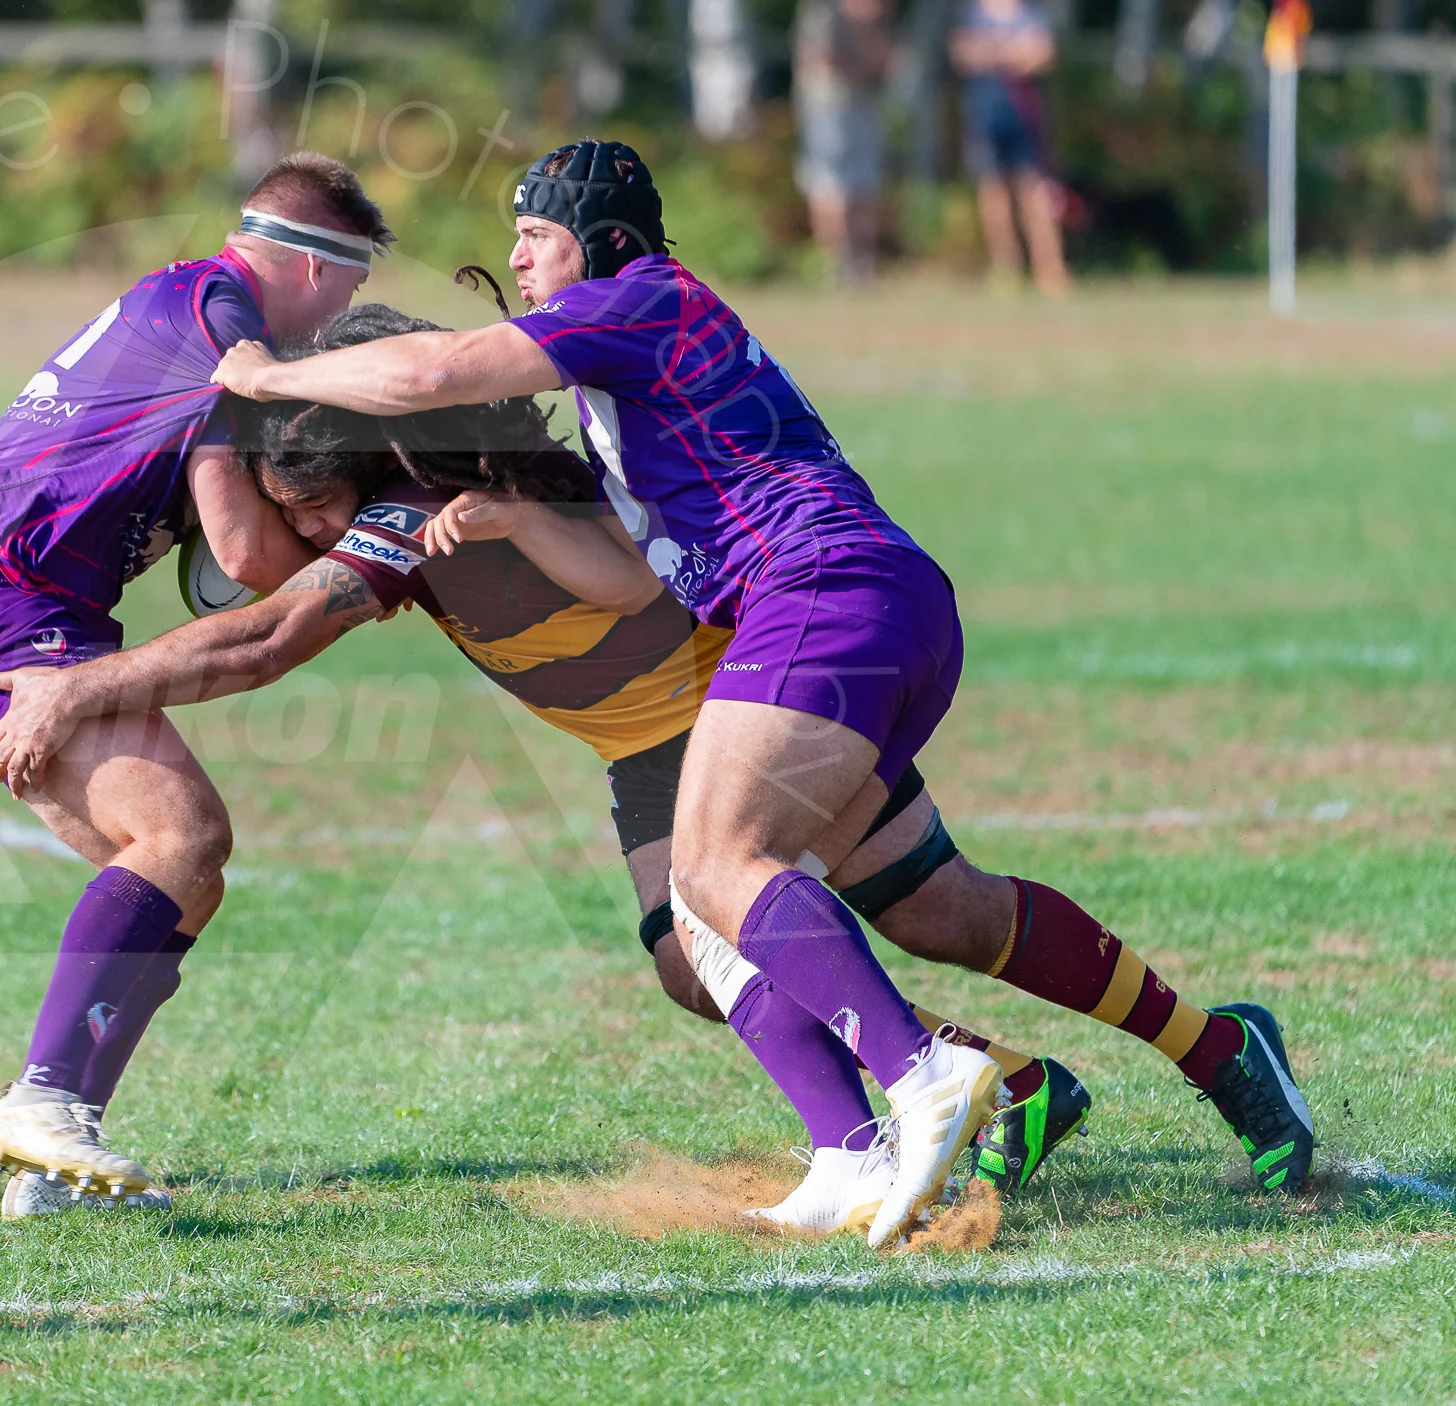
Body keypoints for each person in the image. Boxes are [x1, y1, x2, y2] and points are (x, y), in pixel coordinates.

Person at [207, 141, 1316, 1244]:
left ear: (604, 243)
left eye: (536, 235)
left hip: (821, 592)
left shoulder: (632, 302)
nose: (516, 256)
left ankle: (926, 1078)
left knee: (715, 868)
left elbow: (433, 374)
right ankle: (1212, 1052)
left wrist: (264, 377)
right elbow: (636, 570)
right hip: (864, 600)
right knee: (935, 907)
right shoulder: (619, 378)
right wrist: (522, 520)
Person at [0, 302, 1094, 1235]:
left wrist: (83, 684)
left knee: (923, 912)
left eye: (312, 507)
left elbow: (266, 640)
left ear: (372, 469)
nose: (311, 536)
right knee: (693, 959)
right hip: (646, 743)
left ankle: (1005, 1080)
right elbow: (258, 588)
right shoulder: (431, 508)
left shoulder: (432, 509)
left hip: (744, 711)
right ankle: (879, 1133)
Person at [0, 151, 383, 1218]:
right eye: (345, 293)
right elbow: (245, 558)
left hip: (4, 601)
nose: (340, 322)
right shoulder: (218, 314)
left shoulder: (189, 322)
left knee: (183, 871)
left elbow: (223, 532)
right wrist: (378, 555)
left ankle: (55, 1159)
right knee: (181, 833)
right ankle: (44, 1099)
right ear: (303, 264)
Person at [952, 0, 1071, 297]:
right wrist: (1013, 51)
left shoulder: (1032, 12)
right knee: (993, 194)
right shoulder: (972, 13)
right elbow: (964, 54)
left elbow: (1044, 55)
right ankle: (1007, 269)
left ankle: (1050, 268)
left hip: (1025, 117)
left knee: (1036, 192)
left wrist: (993, 51)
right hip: (985, 116)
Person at [794, 0, 894, 285]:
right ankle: (833, 265)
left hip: (863, 106)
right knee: (829, 187)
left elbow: (889, 60)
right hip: (828, 109)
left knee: (865, 186)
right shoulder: (824, 15)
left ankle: (862, 265)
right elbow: (825, 58)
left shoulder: (872, 22)